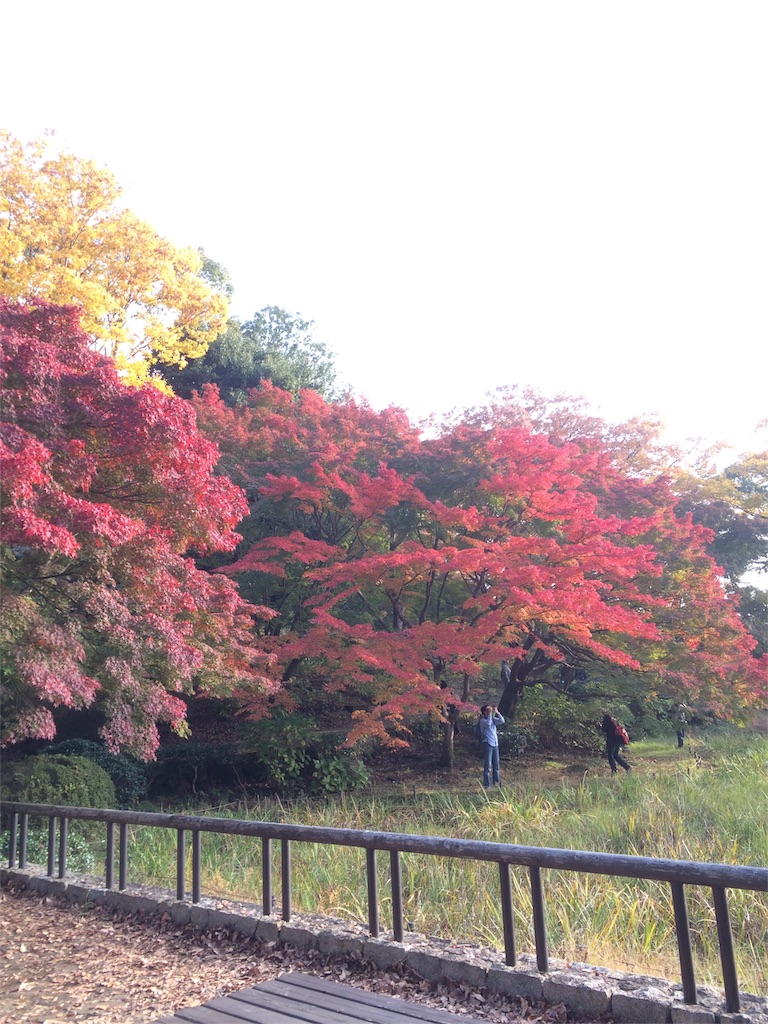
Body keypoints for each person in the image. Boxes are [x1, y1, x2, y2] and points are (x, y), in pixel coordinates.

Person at [479, 704, 505, 788]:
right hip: (488, 743)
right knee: (488, 765)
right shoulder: (483, 721)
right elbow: (489, 724)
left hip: (495, 743)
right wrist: (490, 714)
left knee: (496, 765)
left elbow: (502, 721)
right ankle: (487, 784)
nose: (489, 711)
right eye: (487, 710)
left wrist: (497, 713)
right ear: (484, 712)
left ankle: (496, 782)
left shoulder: (492, 719)